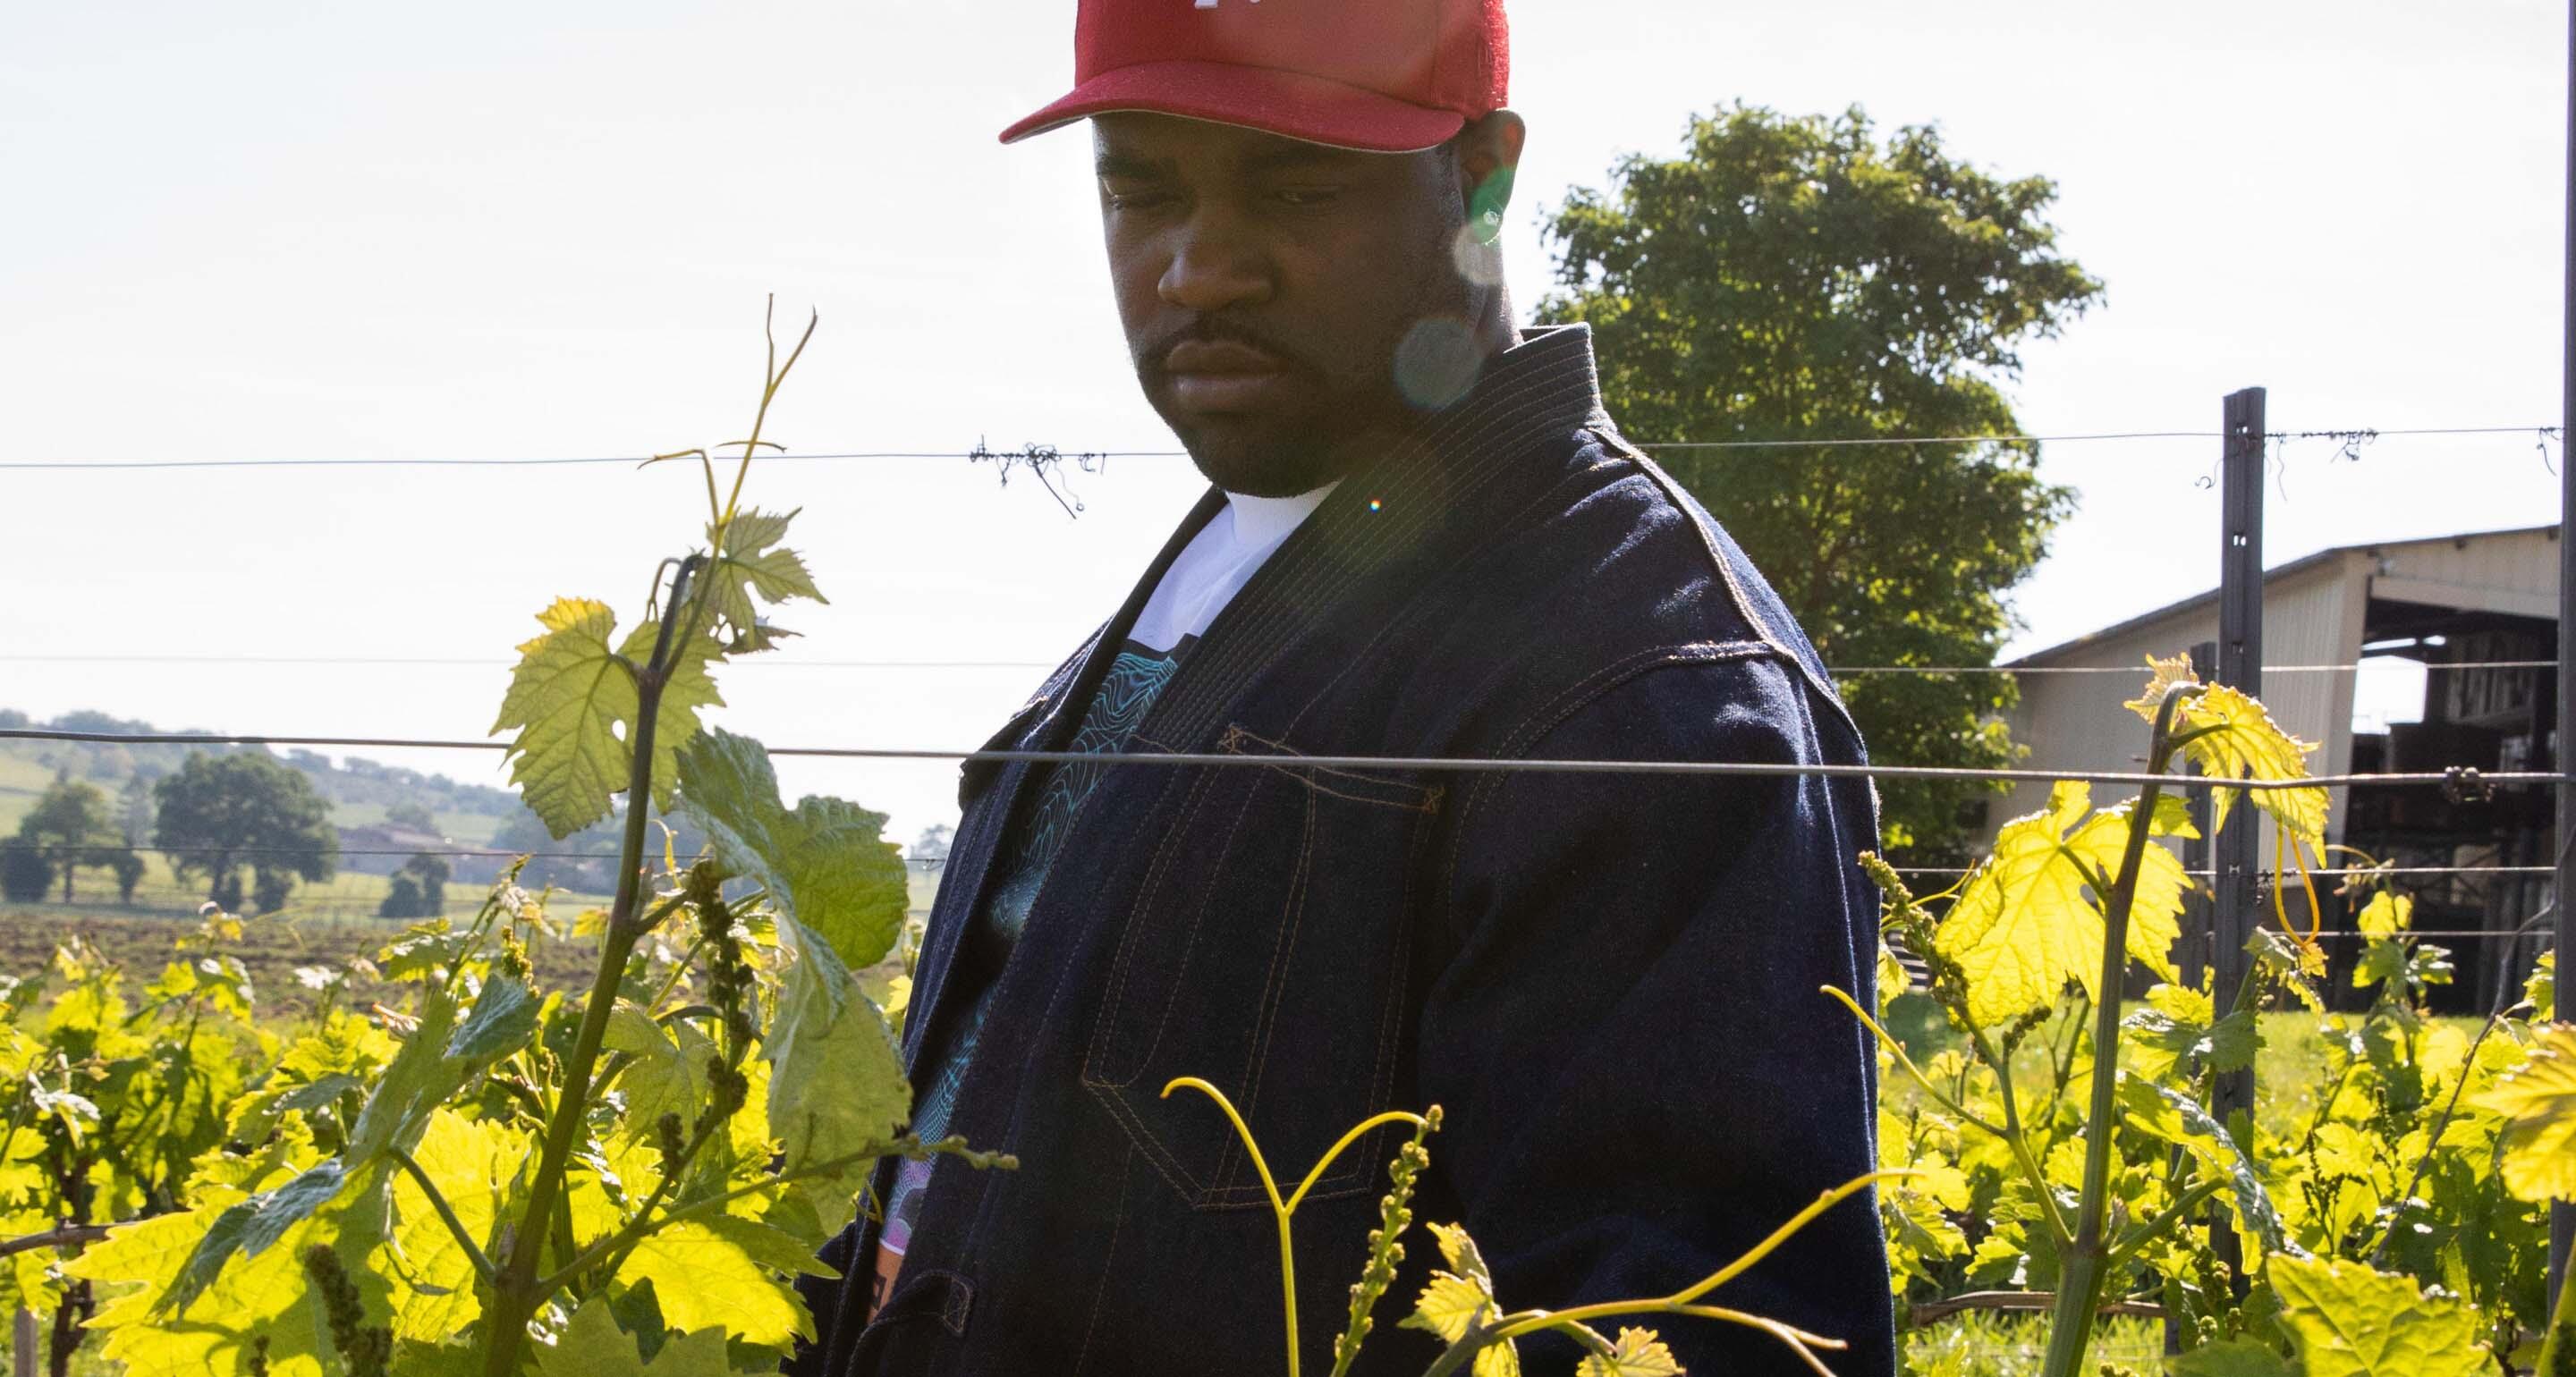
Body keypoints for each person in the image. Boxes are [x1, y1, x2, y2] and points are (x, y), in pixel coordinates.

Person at [790, 1, 1893, 1372]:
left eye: (1297, 184)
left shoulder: (1640, 689)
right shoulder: (1228, 558)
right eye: (1140, 191)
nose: (1198, 269)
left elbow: (1694, 1336)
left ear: (1482, 178)